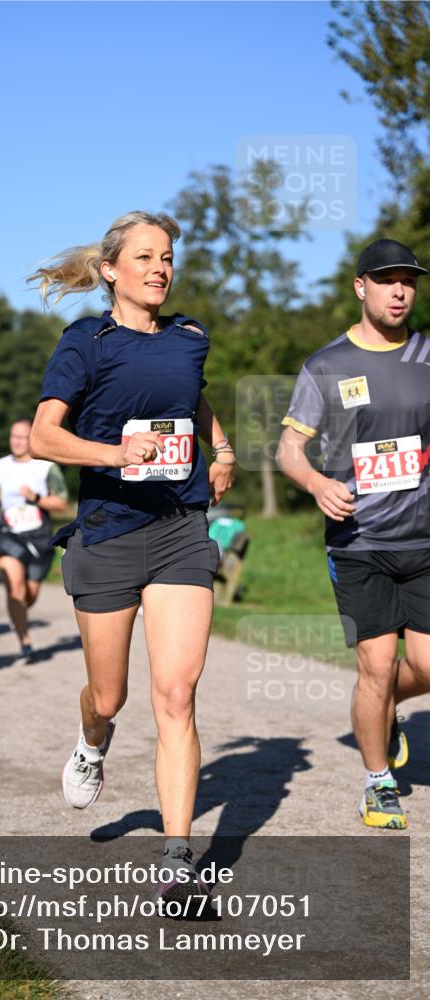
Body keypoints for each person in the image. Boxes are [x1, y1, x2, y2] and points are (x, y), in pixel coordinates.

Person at [27, 211, 235, 904]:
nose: (159, 268)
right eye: (144, 257)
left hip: (178, 527)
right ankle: (91, 744)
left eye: (167, 257)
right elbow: (44, 437)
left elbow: (189, 400)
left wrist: (224, 449)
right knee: (109, 697)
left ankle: (179, 859)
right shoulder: (85, 342)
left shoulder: (189, 337)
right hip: (110, 530)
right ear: (111, 269)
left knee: (175, 695)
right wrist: (115, 453)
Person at [276, 238, 429, 830]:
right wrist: (316, 483)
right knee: (374, 665)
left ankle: (382, 710)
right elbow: (290, 448)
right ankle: (378, 781)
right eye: (387, 280)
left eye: (408, 281)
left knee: (420, 664)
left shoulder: (426, 355)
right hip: (358, 540)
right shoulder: (327, 365)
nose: (399, 291)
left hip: (422, 538)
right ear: (360, 287)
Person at [0, 419, 69, 661]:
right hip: (8, 534)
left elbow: (61, 502)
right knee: (15, 587)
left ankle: (17, 615)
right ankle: (26, 643)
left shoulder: (45, 466)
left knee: (29, 595)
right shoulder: (0, 465)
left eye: (22, 437)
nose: (17, 442)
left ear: (32, 438)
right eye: (13, 436)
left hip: (38, 536)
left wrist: (36, 498)